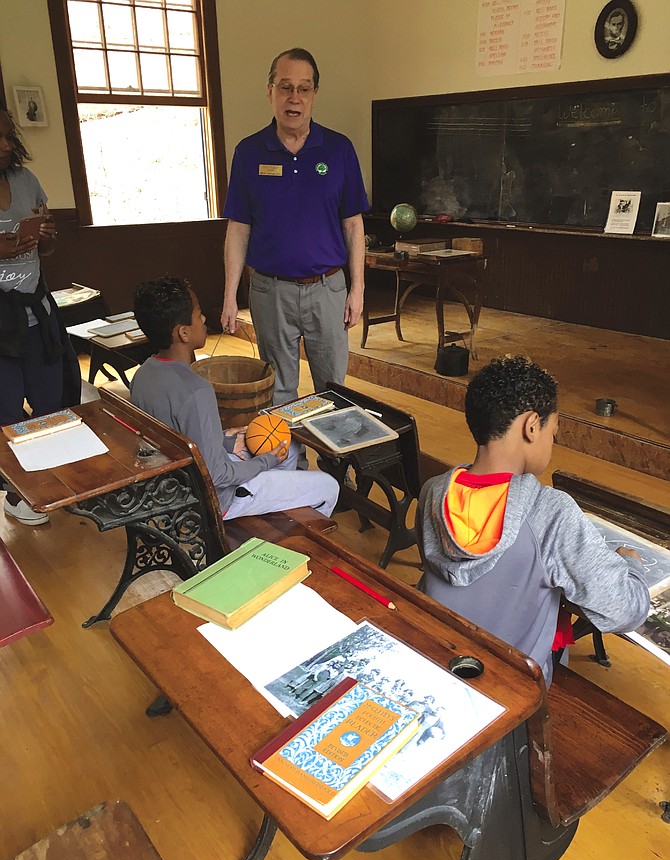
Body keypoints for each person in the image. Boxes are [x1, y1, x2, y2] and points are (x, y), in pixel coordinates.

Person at [415, 355, 649, 685]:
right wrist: (629, 566)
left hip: (436, 660)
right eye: (553, 433)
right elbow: (625, 609)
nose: (552, 442)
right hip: (513, 689)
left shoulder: (432, 492)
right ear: (531, 426)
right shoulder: (550, 513)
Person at [221, 47, 369, 408]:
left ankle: (336, 466)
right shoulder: (249, 152)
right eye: (285, 87)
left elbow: (353, 225)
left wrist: (358, 289)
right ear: (269, 90)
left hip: (328, 289)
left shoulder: (339, 149)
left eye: (304, 88)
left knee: (334, 391)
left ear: (315, 94)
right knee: (279, 392)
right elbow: (239, 229)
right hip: (270, 292)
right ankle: (290, 463)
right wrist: (229, 296)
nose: (294, 98)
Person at [130, 276, 339, 520]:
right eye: (198, 315)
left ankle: (274, 515)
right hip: (215, 499)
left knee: (288, 447)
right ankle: (286, 534)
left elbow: (184, 435)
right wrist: (264, 462)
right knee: (328, 486)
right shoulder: (196, 390)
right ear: (183, 333)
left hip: (176, 483)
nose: (204, 319)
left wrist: (226, 440)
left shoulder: (143, 373)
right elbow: (217, 475)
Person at [0, 101, 79, 526]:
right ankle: (17, 492)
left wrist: (45, 236)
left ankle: (54, 481)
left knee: (53, 401)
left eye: (8, 136)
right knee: (6, 412)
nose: (4, 145)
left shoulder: (26, 180)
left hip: (35, 313)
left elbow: (46, 247)